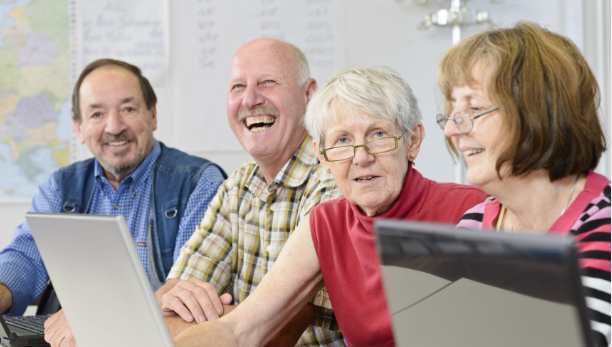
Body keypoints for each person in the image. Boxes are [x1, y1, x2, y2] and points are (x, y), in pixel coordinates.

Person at [169, 65, 489, 347]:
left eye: (377, 134)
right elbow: (240, 329)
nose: (361, 157)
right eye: (342, 141)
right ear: (322, 157)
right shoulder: (326, 223)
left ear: (413, 140)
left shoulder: (471, 210)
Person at [0, 59, 226, 346]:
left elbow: (184, 292)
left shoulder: (199, 183)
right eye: (96, 114)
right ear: (78, 127)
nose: (114, 126)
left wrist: (91, 316)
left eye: (128, 109)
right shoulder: (60, 187)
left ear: (153, 114)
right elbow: (25, 257)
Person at [156, 39, 346, 346]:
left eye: (268, 82)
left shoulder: (336, 178)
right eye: (237, 87)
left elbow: (280, 331)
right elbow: (170, 304)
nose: (251, 99)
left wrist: (213, 320)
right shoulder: (237, 185)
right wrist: (192, 314)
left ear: (309, 94)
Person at [435, 22, 611, 346]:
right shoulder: (474, 226)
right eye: (452, 109)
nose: (451, 129)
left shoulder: (604, 229)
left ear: (536, 112)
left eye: (473, 108)